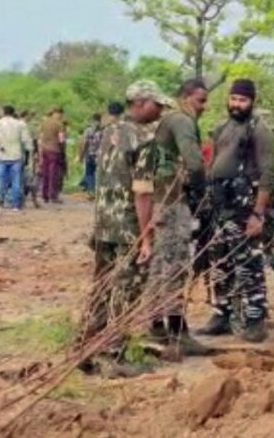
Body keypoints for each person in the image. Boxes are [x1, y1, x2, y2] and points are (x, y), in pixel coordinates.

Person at [78, 81, 169, 373]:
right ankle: (111, 352)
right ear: (140, 103)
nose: (161, 110)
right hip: (128, 224)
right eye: (157, 104)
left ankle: (87, 343)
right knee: (126, 287)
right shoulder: (144, 139)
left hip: (104, 222)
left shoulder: (108, 133)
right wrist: (146, 236)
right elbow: (142, 191)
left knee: (102, 286)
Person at [197, 79, 273, 343]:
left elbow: (267, 173)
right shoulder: (221, 128)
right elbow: (212, 163)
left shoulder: (259, 130)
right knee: (219, 262)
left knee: (248, 263)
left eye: (243, 100)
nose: (237, 104)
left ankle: (255, 319)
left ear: (252, 102)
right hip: (220, 205)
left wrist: (258, 213)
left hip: (245, 206)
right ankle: (222, 314)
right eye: (233, 99)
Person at [144, 78, 210, 358]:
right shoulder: (182, 121)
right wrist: (202, 189)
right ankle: (178, 331)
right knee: (176, 264)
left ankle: (157, 324)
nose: (204, 107)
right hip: (173, 200)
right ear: (185, 98)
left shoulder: (166, 121)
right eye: (200, 100)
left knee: (161, 263)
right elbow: (194, 162)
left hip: (160, 198)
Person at [0, 106, 33, 211]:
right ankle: (15, 205)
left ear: (3, 112)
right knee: (16, 181)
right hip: (16, 155)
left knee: (1, 180)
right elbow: (26, 141)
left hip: (2, 155)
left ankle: (0, 202)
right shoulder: (21, 124)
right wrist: (29, 154)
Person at [39, 108, 66, 203]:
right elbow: (61, 139)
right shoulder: (59, 124)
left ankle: (44, 194)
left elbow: (40, 137)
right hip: (54, 150)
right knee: (53, 174)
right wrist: (63, 150)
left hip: (44, 150)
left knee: (45, 173)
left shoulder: (45, 122)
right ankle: (53, 195)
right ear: (58, 113)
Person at [77, 113, 103, 197]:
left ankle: (91, 191)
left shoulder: (88, 130)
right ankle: (97, 191)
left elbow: (84, 143)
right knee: (98, 173)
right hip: (100, 155)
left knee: (89, 173)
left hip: (90, 154)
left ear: (92, 120)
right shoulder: (104, 129)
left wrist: (82, 155)